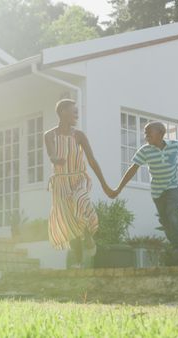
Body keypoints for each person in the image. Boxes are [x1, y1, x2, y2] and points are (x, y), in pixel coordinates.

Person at [109, 121, 178, 265]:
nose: (146, 135)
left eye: (149, 132)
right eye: (145, 133)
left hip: (172, 187)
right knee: (164, 220)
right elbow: (133, 169)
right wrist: (119, 188)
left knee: (173, 213)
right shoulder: (145, 150)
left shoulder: (174, 145)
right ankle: (176, 246)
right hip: (157, 191)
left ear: (161, 134)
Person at [44, 99, 114, 268]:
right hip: (60, 183)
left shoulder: (79, 135)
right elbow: (52, 154)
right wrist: (55, 159)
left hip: (77, 179)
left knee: (82, 202)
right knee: (69, 223)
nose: (76, 114)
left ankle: (88, 234)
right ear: (62, 112)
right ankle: (77, 261)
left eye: (77, 112)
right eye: (73, 111)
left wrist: (104, 184)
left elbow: (91, 160)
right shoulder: (49, 135)